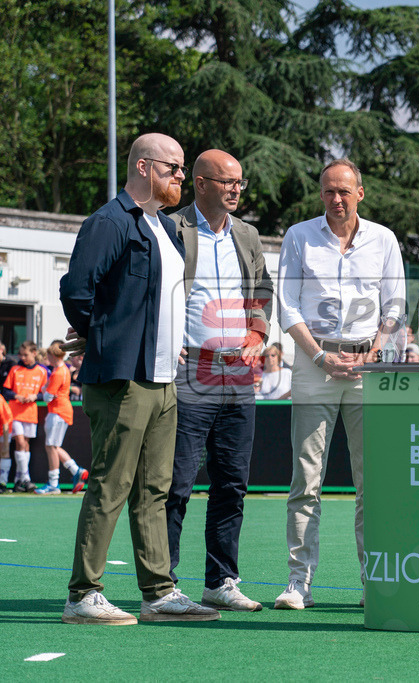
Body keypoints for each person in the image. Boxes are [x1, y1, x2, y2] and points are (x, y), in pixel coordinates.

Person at [59, 132, 219, 625]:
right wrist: (101, 336)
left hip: (163, 379)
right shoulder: (108, 222)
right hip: (123, 379)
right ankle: (84, 594)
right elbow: (77, 292)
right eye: (174, 169)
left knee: (156, 489)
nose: (180, 178)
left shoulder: (166, 229)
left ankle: (158, 593)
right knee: (111, 483)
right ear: (145, 167)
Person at [275, 158, 405, 609]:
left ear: (360, 194)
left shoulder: (384, 240)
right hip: (315, 364)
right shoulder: (299, 236)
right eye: (329, 191)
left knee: (374, 484)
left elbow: (395, 305)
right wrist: (320, 357)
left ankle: (374, 583)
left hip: (369, 368)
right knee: (305, 480)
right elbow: (287, 308)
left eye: (344, 191)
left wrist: (374, 355)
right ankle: (298, 583)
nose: (336, 199)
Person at [165, 149, 273, 612]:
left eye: (240, 183)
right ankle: (163, 585)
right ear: (201, 183)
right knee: (177, 484)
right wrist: (166, 338)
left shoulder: (246, 234)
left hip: (238, 375)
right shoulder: (171, 228)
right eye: (227, 181)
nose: (235, 189)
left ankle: (221, 581)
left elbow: (262, 290)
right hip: (190, 373)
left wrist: (257, 330)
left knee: (231, 483)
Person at [36, 341, 89, 495]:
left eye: (49, 356)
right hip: (60, 411)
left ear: (53, 355)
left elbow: (47, 397)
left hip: (58, 412)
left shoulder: (58, 372)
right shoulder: (62, 370)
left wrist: (45, 388)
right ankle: (76, 470)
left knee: (51, 446)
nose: (48, 358)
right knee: (53, 446)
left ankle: (53, 483)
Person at [2, 341, 48, 492]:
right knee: (20, 443)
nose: (22, 357)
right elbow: (6, 391)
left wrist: (35, 396)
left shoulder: (42, 371)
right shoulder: (15, 369)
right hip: (15, 412)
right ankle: (26, 477)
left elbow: (47, 394)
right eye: (21, 354)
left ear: (34, 353)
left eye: (25, 354)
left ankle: (18, 479)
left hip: (31, 413)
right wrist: (17, 395)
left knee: (26, 446)